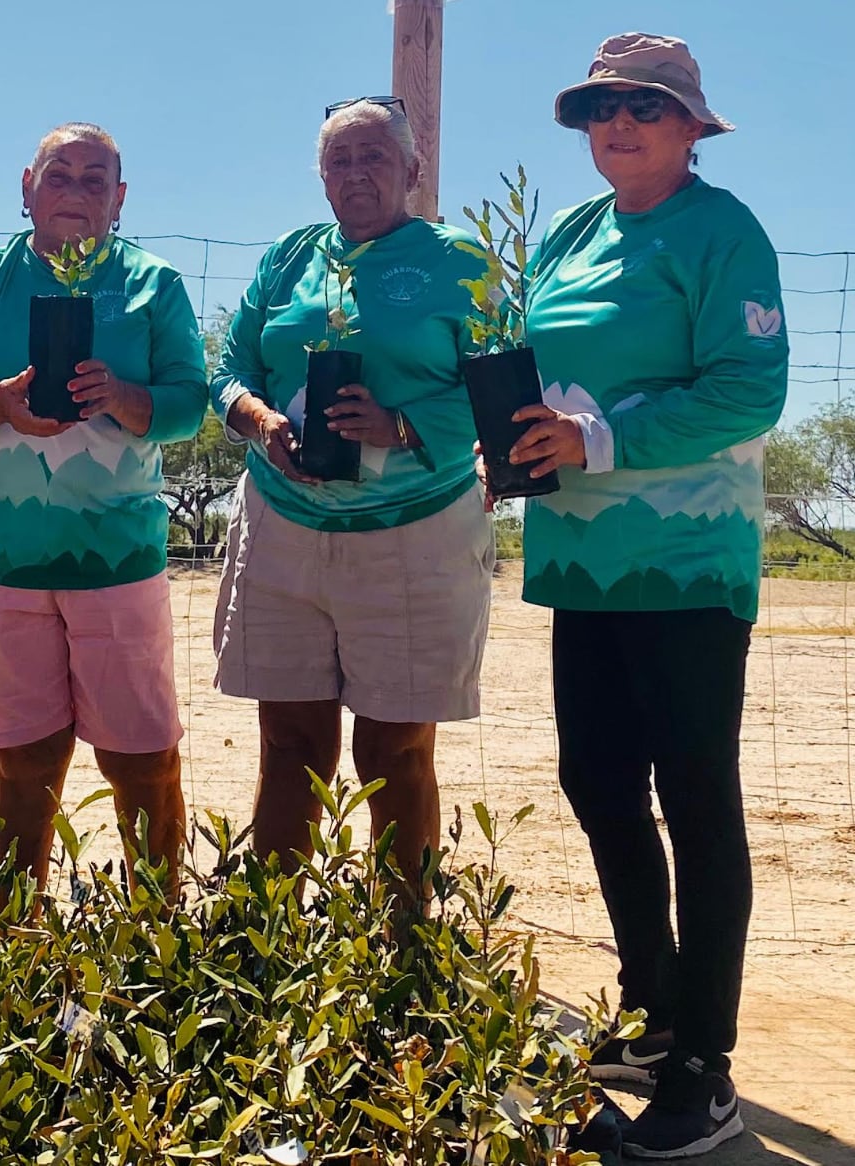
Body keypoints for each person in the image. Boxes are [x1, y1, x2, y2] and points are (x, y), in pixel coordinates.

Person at [485, 33, 788, 1158]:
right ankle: (647, 1014)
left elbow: (747, 392)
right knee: (597, 777)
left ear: (689, 127)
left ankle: (702, 1063)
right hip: (581, 563)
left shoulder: (722, 232)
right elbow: (533, 373)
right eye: (599, 107)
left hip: (687, 562)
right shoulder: (568, 234)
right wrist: (505, 449)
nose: (616, 124)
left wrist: (593, 437)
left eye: (643, 108)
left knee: (694, 793)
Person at [0, 123, 207, 894]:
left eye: (94, 179)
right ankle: (17, 946)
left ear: (121, 198)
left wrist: (128, 398)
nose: (76, 191)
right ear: (27, 186)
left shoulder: (154, 284)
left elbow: (187, 405)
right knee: (25, 764)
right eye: (60, 175)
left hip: (118, 561)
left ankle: (159, 937)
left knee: (143, 758)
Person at [209, 97, 493, 898]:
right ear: (321, 176)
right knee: (288, 737)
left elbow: (502, 384)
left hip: (413, 534)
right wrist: (258, 419)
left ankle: (401, 946)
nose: (356, 173)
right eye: (340, 160)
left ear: (412, 170)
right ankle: (273, 947)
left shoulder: (461, 261)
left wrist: (401, 424)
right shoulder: (288, 258)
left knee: (395, 748)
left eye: (374, 157)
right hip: (283, 527)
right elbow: (227, 368)